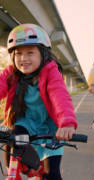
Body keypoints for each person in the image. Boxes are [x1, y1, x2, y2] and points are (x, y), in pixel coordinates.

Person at [0, 23, 77, 179]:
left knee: (52, 175)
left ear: (43, 54)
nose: (24, 59)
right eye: (18, 54)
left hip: (50, 128)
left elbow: (59, 95)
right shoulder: (11, 73)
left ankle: (41, 172)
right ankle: (26, 170)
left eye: (30, 53)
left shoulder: (50, 71)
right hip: (25, 123)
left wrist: (67, 123)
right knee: (12, 150)